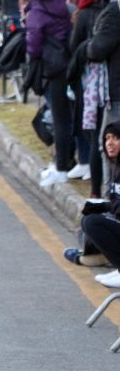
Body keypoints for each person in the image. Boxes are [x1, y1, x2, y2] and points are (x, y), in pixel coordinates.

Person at [20, 0, 74, 187]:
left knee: (60, 118)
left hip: (52, 67)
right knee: (66, 116)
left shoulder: (36, 12)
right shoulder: (60, 5)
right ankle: (66, 161)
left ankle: (61, 167)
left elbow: (33, 44)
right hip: (67, 62)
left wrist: (33, 58)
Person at [68, 121, 120, 284]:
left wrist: (102, 206)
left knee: (92, 223)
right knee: (86, 223)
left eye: (116, 138)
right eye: (107, 138)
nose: (110, 143)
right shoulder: (115, 166)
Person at [69, 0, 106, 192]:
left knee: (95, 135)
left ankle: (96, 192)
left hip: (92, 83)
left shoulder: (86, 14)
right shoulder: (111, 9)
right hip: (107, 83)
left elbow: (75, 47)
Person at [87, 0, 120, 193]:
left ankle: (112, 202)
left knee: (109, 145)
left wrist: (87, 46)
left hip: (117, 90)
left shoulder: (114, 10)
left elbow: (97, 49)